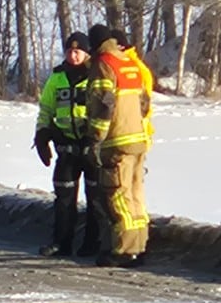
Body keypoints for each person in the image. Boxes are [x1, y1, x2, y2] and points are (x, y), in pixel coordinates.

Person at [84, 24, 151, 267]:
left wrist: (94, 137)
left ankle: (123, 250)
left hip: (117, 141)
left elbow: (103, 106)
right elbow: (144, 102)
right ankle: (139, 245)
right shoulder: (129, 63)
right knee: (136, 194)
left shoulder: (104, 65)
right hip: (138, 139)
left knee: (118, 196)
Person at [33, 31, 99, 257]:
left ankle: (92, 243)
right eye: (69, 51)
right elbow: (46, 109)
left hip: (91, 146)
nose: (73, 55)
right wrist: (41, 135)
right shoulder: (57, 77)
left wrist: (96, 140)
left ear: (86, 53)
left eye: (78, 51)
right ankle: (62, 243)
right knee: (64, 198)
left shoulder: (96, 75)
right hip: (66, 147)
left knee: (95, 198)